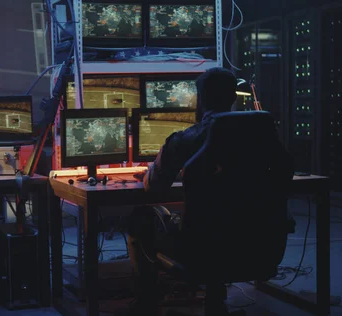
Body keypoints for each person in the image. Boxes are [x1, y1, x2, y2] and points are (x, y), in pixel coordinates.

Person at [124, 68, 293, 315]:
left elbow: (154, 187)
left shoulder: (187, 139)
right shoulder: (261, 137)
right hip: (257, 245)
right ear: (233, 98)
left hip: (199, 251)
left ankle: (145, 305)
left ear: (200, 100)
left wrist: (152, 170)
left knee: (139, 218)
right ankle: (216, 296)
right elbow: (283, 172)